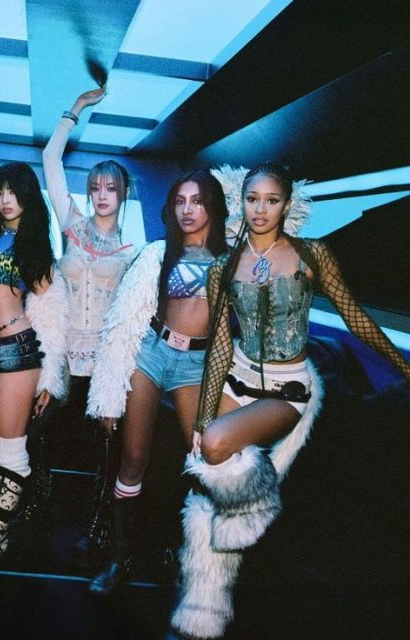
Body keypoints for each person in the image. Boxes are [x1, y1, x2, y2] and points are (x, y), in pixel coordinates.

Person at [170, 163, 410, 639]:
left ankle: (257, 506)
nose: (260, 210)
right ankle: (205, 599)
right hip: (236, 377)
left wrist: (405, 367)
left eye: (271, 200)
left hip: (288, 387)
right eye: (252, 199)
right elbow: (220, 347)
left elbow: (355, 318)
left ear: (286, 205)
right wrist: (203, 414)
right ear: (241, 202)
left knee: (217, 446)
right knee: (203, 482)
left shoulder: (311, 254)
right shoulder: (223, 266)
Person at [85, 170, 229, 595]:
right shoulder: (158, 253)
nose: (188, 209)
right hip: (152, 353)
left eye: (197, 201)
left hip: (196, 365)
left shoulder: (231, 257)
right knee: (132, 458)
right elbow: (123, 320)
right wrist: (108, 395)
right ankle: (120, 556)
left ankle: (185, 551)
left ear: (212, 205)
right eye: (180, 201)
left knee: (202, 460)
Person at [41, 87, 137, 557]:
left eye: (110, 188)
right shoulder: (73, 226)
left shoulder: (132, 252)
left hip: (104, 363)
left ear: (123, 194)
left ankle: (102, 526)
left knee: (109, 445)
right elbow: (50, 161)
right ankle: (34, 510)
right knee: (37, 428)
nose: (102, 195)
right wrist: (75, 110)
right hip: (61, 353)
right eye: (96, 187)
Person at [0, 162, 68, 566]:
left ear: (28, 197)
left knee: (10, 450)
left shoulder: (33, 245)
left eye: (14, 192)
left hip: (19, 349)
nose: (6, 200)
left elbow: (53, 311)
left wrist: (50, 377)